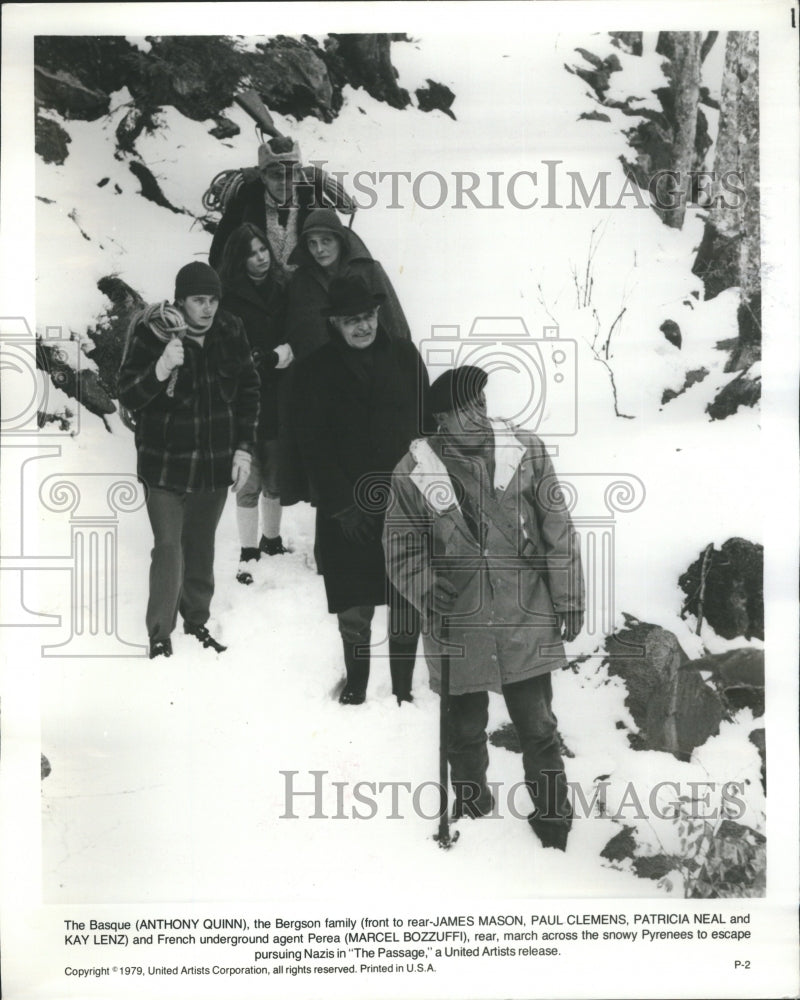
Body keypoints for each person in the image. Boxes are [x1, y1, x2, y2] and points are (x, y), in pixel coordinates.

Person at [383, 366, 584, 849]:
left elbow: (557, 526)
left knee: (538, 726)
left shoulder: (525, 451)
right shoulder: (414, 472)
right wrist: (426, 588)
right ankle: (472, 807)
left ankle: (554, 820)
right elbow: (401, 545)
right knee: (463, 730)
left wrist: (569, 595)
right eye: (464, 409)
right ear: (440, 420)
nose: (478, 415)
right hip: (458, 622)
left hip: (524, 615)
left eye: (480, 403)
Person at [294, 275, 428, 705]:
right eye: (352, 320)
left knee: (405, 592)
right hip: (345, 509)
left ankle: (403, 689)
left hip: (404, 503)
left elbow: (427, 431)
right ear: (335, 323)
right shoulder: (315, 369)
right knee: (354, 600)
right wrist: (342, 507)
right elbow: (313, 445)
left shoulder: (405, 356)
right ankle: (356, 684)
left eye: (368, 316)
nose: (363, 327)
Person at [118, 262, 259, 659]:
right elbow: (128, 394)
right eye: (199, 300)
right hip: (164, 464)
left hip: (214, 463)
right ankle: (160, 633)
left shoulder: (230, 329)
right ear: (181, 300)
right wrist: (161, 368)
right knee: (168, 546)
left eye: (213, 299)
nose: (208, 308)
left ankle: (196, 619)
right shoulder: (153, 332)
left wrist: (244, 449)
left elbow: (249, 389)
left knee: (200, 544)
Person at [218, 223, 293, 582]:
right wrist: (255, 359)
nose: (260, 257)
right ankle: (249, 548)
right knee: (249, 477)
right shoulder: (228, 296)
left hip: (279, 393)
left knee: (276, 471)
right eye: (251, 252)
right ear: (239, 258)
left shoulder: (283, 287)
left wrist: (284, 352)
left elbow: (297, 331)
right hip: (243, 397)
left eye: (263, 249)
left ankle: (273, 539)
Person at [208, 135, 357, 271]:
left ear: (298, 175)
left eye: (290, 173)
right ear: (263, 176)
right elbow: (218, 257)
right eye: (276, 174)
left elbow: (339, 254)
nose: (284, 182)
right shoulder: (243, 205)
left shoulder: (314, 205)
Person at [284, 208, 410, 364]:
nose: (319, 249)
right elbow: (298, 334)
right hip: (326, 372)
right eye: (312, 243)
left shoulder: (369, 270)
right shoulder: (301, 281)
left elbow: (395, 322)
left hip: (373, 367)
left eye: (326, 240)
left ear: (340, 240)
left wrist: (404, 365)